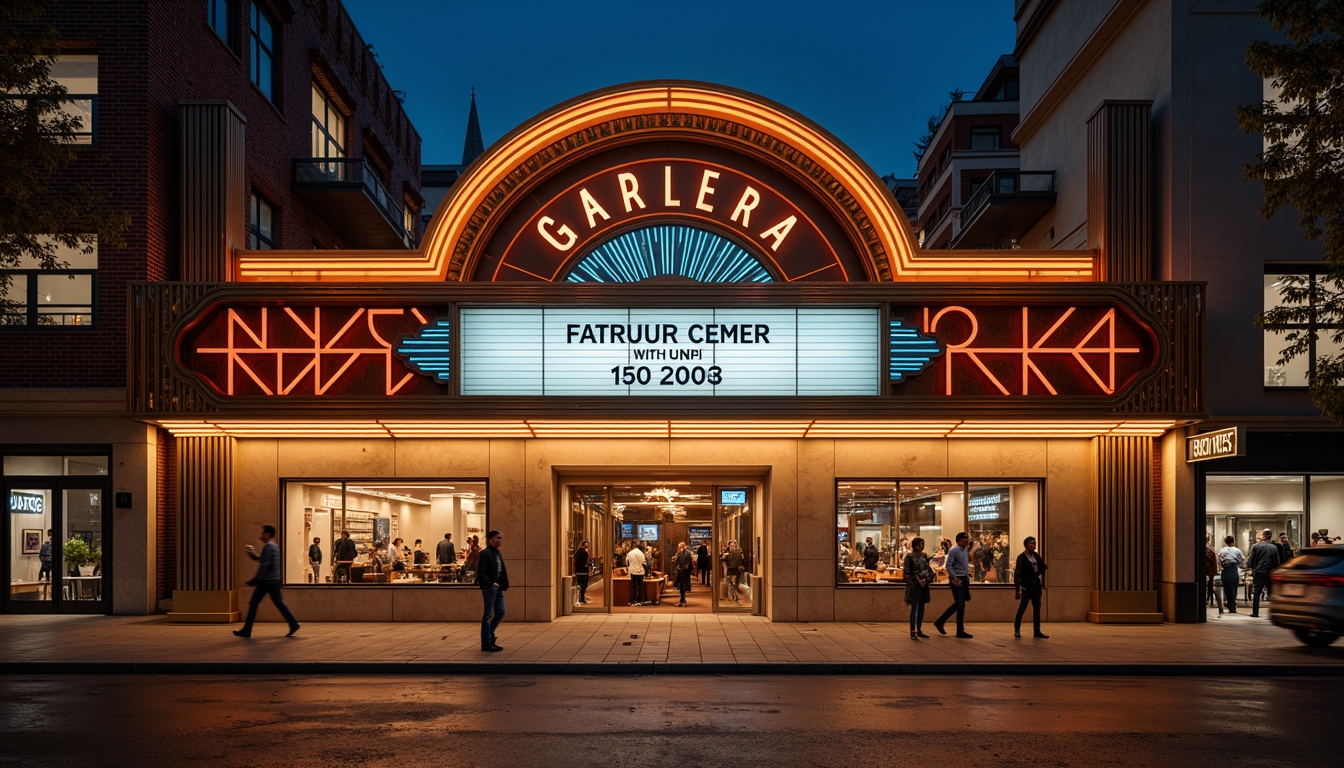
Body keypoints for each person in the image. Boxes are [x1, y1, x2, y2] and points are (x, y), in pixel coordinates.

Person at [233, 525, 299, 638]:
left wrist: (256, 579)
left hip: (266, 581)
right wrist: (251, 553)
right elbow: (262, 560)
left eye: (262, 533)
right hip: (274, 580)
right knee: (279, 603)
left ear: (267, 534)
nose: (261, 534)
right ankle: (293, 623)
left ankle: (247, 629)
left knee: (254, 603)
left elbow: (264, 564)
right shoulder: (273, 546)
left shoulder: (268, 546)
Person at [932, 531, 973, 638]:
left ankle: (941, 621)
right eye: (964, 541)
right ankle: (958, 629)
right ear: (958, 541)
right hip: (957, 579)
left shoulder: (965, 550)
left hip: (964, 579)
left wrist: (967, 578)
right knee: (960, 604)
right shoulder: (954, 550)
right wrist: (954, 577)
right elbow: (949, 565)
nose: (966, 543)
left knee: (960, 604)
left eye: (967, 541)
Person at [475, 529, 508, 652]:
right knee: (488, 615)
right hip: (490, 588)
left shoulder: (496, 553)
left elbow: (501, 571)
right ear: (490, 540)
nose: (500, 540)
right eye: (498, 538)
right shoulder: (486, 553)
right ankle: (486, 642)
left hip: (497, 587)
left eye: (501, 538)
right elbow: (481, 571)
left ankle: (489, 635)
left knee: (500, 612)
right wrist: (490, 583)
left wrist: (502, 584)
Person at [1013, 536, 1049, 638]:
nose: (1033, 545)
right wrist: (1017, 588)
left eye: (1034, 543)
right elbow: (1018, 572)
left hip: (1036, 585)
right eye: (1031, 543)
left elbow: (1042, 566)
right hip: (1026, 586)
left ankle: (1037, 631)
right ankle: (1017, 629)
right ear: (1026, 545)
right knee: (1022, 608)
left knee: (1037, 608)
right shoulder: (1022, 557)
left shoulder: (1036, 556)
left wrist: (1038, 573)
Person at [903, 537, 933, 639]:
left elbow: (928, 570)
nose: (922, 546)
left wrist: (926, 579)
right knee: (914, 607)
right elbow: (907, 573)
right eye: (920, 544)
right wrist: (915, 581)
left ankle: (919, 629)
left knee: (921, 607)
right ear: (915, 545)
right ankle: (913, 631)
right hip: (914, 585)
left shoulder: (924, 557)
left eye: (923, 544)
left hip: (923, 585)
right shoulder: (910, 557)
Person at [1248, 529, 1281, 618]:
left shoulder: (1256, 546)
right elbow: (1277, 562)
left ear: (1263, 536)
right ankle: (1272, 613)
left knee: (1257, 593)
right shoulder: (1274, 547)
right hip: (1270, 572)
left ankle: (1255, 613)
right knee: (1271, 593)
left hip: (1259, 572)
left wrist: (1254, 569)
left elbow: (1251, 561)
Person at [1217, 535, 1245, 613]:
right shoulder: (1237, 550)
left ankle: (1229, 604)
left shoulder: (1222, 551)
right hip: (1233, 570)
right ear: (1233, 541)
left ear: (1225, 542)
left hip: (1225, 571)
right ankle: (1233, 605)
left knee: (1227, 589)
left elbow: (1219, 561)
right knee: (1234, 588)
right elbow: (1241, 561)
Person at [626, 539, 648, 606]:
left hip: (632, 572)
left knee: (633, 587)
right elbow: (644, 563)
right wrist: (646, 572)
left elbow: (627, 562)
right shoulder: (640, 553)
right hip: (640, 572)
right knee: (641, 587)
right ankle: (641, 601)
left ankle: (632, 601)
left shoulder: (629, 553)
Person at [674, 541, 693, 606]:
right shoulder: (688, 553)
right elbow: (690, 562)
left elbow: (676, 561)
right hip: (686, 571)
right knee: (684, 584)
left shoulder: (679, 553)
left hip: (681, 571)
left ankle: (682, 599)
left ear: (680, 547)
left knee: (681, 585)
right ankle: (682, 599)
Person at [573, 539, 591, 605]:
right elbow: (586, 561)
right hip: (582, 571)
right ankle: (581, 598)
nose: (587, 546)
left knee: (581, 585)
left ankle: (581, 597)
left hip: (580, 571)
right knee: (583, 585)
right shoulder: (583, 552)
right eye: (586, 545)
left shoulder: (578, 552)